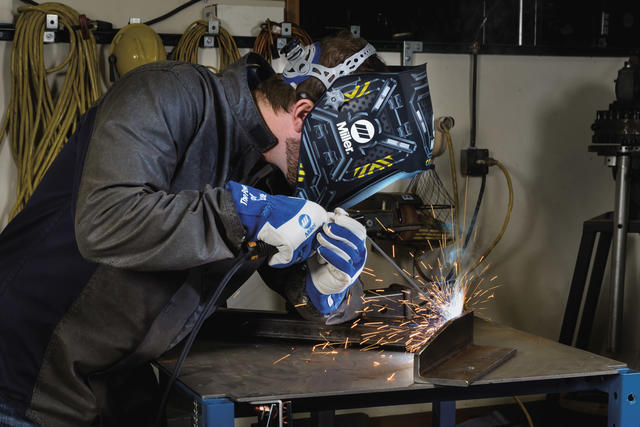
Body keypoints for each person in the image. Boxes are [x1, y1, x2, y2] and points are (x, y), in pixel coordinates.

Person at [0, 31, 385, 426]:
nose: (334, 176)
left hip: (115, 384)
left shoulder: (277, 176)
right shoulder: (165, 93)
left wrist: (327, 289)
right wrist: (240, 213)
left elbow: (294, 277)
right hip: (22, 375)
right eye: (337, 155)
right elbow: (105, 220)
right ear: (303, 115)